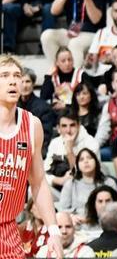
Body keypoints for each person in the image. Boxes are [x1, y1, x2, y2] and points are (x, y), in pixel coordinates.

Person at [0, 56, 63, 258]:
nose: (13, 81)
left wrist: (53, 231)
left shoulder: (31, 125)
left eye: (17, 76)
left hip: (8, 228)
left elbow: (37, 182)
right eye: (5, 75)